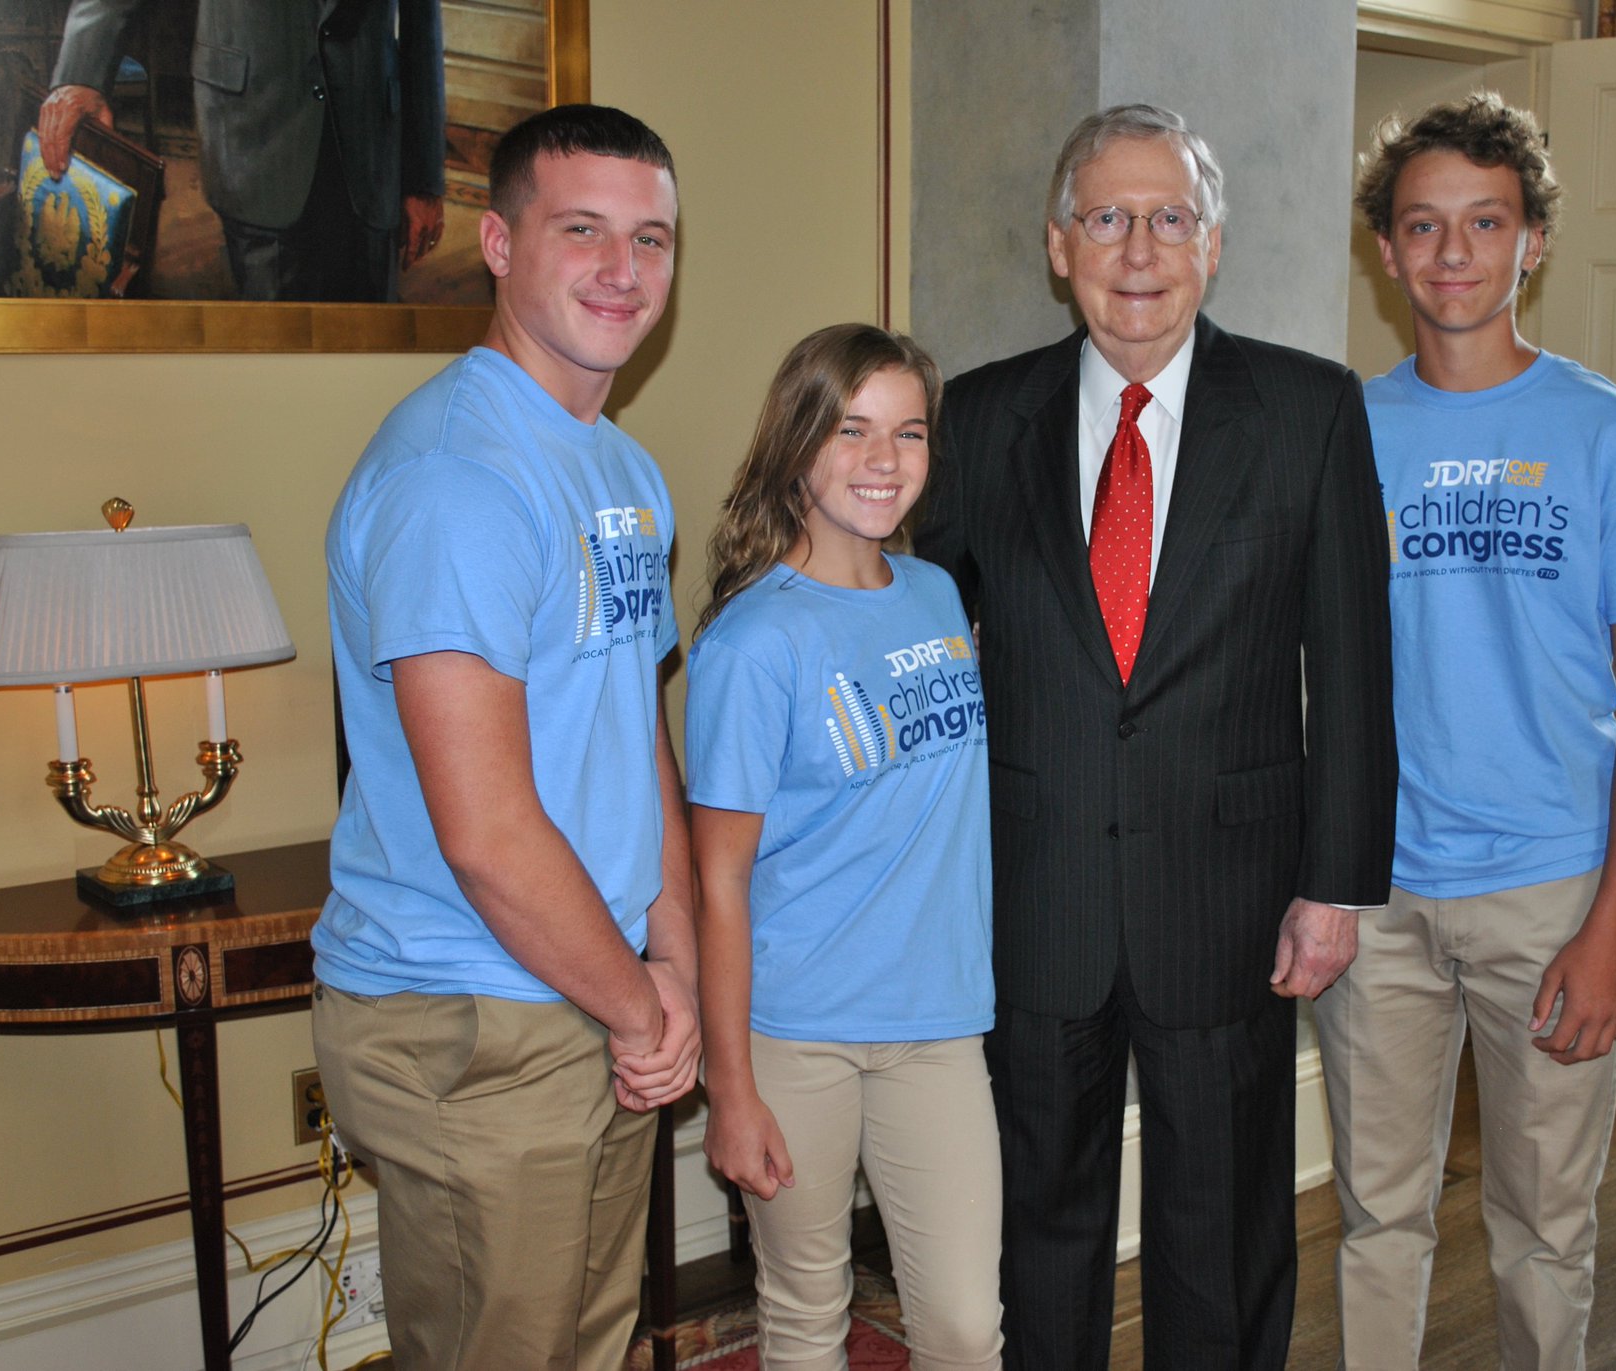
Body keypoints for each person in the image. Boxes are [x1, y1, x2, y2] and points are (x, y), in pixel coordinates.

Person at [917, 104, 1397, 1368]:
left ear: (1213, 245)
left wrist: (1336, 888)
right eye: (1106, 218)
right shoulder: (974, 418)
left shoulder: (1307, 409)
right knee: (1038, 1237)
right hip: (1034, 897)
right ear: (1057, 246)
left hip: (1230, 905)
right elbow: (910, 643)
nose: (1139, 250)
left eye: (1169, 217)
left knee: (1221, 1238)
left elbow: (1353, 670)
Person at [1319, 92, 1616, 1371]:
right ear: (1384, 251)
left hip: (1549, 895)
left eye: (1483, 222)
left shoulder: (1611, 436)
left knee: (1545, 1228)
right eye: (1421, 225)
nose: (1451, 252)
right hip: (1374, 893)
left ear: (1531, 242)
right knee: (1376, 1217)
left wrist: (1612, 929)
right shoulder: (1336, 435)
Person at [310, 103, 696, 1371]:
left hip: (592, 982)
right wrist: (641, 1006)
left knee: (590, 1344)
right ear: (496, 243)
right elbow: (483, 831)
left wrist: (675, 964)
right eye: (582, 231)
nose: (622, 270)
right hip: (470, 1010)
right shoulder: (457, 480)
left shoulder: (622, 470)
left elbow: (638, 740)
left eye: (651, 239)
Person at [687, 323, 1003, 1370]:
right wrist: (731, 1089)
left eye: (908, 433)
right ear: (797, 442)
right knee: (805, 1314)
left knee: (964, 1326)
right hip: (796, 1034)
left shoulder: (936, 594)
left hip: (937, 1023)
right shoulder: (752, 641)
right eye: (851, 430)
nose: (884, 459)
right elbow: (718, 878)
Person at [38, 0, 446, 301]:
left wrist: (423, 176)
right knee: (270, 357)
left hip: (370, 144)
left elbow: (423, 22)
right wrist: (81, 75)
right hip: (254, 130)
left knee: (369, 351)